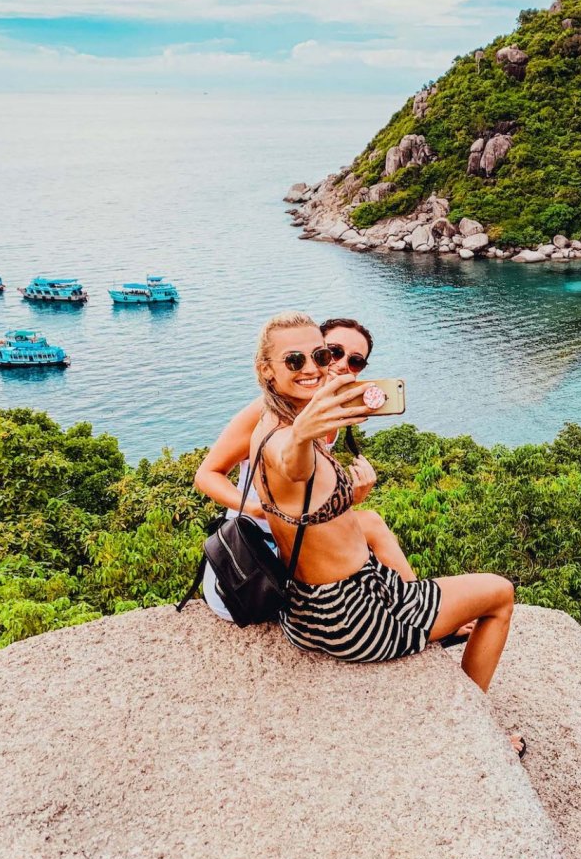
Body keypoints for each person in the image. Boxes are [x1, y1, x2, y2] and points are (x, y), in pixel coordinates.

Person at [248, 312, 522, 752]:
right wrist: (304, 435)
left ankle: (429, 619)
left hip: (309, 610)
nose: (313, 369)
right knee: (499, 593)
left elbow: (310, 508)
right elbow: (291, 466)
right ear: (268, 370)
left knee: (379, 533)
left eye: (319, 356)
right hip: (351, 616)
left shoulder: (269, 419)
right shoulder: (287, 436)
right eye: (294, 361)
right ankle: (477, 730)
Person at [193, 317, 435, 620]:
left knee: (367, 524)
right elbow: (206, 475)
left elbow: (309, 504)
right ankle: (423, 613)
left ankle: (417, 608)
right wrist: (258, 509)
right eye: (332, 352)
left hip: (297, 547)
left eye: (355, 360)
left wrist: (352, 497)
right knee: (369, 526)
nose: (341, 364)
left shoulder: (329, 415)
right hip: (253, 565)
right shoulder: (267, 412)